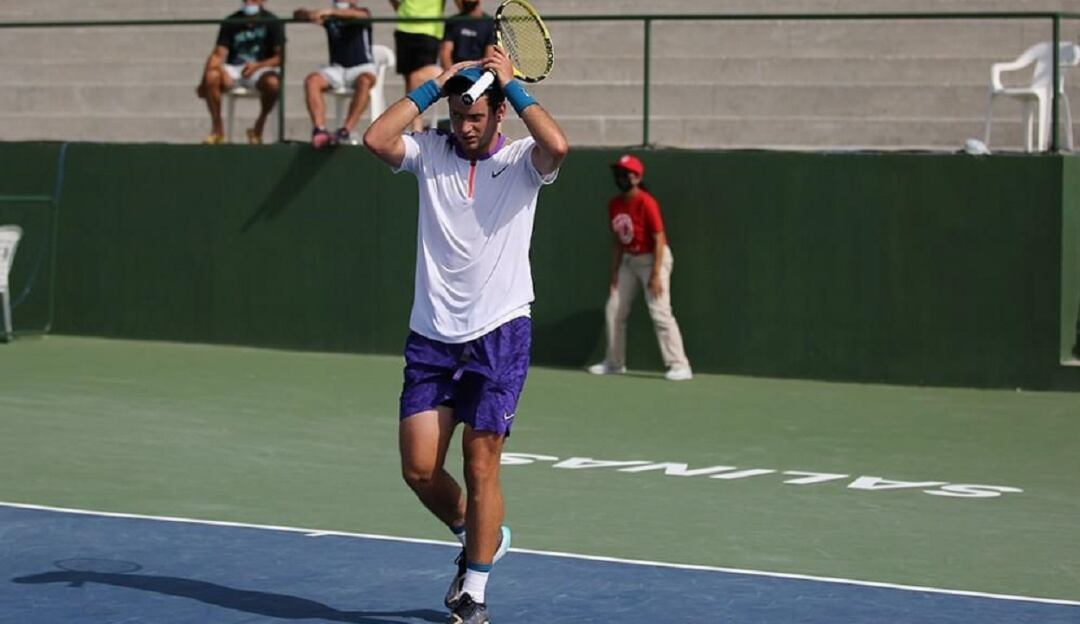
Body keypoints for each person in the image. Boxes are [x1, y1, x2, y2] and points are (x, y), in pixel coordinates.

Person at [363, 48, 568, 624]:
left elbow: (559, 147)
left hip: (500, 334)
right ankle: (478, 533)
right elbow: (376, 140)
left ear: (498, 115)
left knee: (482, 467)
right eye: (458, 116)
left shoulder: (526, 159)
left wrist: (514, 86)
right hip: (431, 337)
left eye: (476, 117)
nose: (466, 126)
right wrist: (436, 85)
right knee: (419, 469)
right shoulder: (429, 152)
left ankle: (473, 591)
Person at [587, 154, 694, 381]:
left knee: (660, 311)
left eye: (625, 173)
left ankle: (680, 365)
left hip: (654, 259)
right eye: (618, 173)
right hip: (629, 261)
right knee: (614, 309)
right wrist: (615, 272)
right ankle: (615, 363)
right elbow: (617, 240)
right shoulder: (614, 204)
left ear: (636, 178)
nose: (620, 177)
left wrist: (655, 274)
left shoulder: (647, 202)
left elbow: (659, 239)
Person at [196, 0, 284, 145]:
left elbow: (280, 57)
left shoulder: (273, 22)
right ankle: (217, 130)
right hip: (235, 68)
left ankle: (258, 126)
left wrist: (257, 66)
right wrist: (218, 73)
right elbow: (218, 54)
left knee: (273, 84)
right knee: (212, 76)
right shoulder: (231, 21)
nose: (248, 1)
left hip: (260, 67)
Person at [295, 1, 377, 148]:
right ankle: (319, 130)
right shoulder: (329, 16)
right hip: (337, 69)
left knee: (365, 82)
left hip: (361, 67)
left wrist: (330, 12)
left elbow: (361, 15)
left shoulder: (362, 12)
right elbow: (297, 14)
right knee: (312, 81)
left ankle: (345, 130)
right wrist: (310, 14)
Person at [389, 0, 445, 132]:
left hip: (428, 30)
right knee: (409, 81)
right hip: (405, 28)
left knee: (417, 78)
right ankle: (415, 125)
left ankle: (417, 127)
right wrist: (402, 10)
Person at [440, 0, 496, 70]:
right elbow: (445, 53)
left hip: (477, 72)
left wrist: (481, 74)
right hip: (456, 71)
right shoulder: (453, 22)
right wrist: (451, 74)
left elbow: (489, 55)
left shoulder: (489, 23)